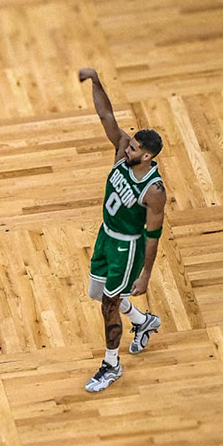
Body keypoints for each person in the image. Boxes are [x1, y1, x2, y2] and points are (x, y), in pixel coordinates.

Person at [76, 68, 164, 393]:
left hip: (128, 249)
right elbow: (106, 115)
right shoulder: (122, 150)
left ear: (147, 156)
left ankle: (111, 364)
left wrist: (145, 275)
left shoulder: (154, 191)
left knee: (108, 306)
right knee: (97, 294)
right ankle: (143, 321)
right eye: (129, 146)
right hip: (106, 235)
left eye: (134, 149)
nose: (127, 149)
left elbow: (153, 236)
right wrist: (96, 81)